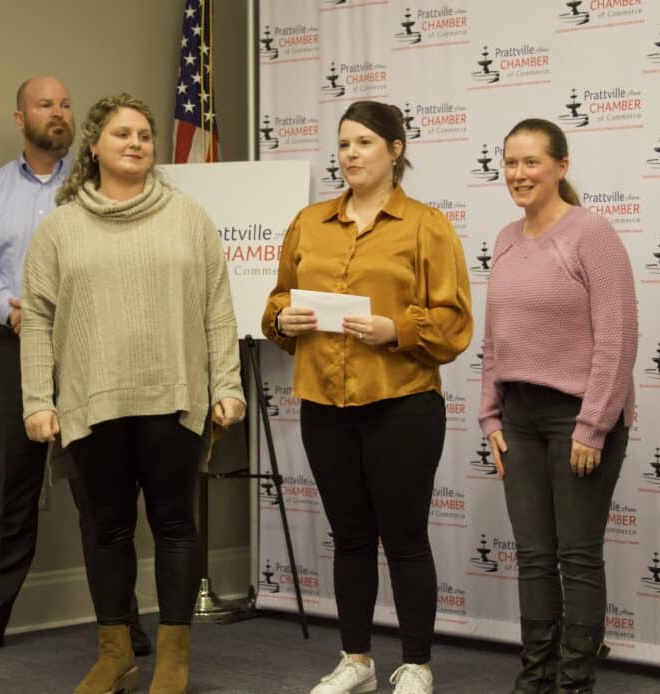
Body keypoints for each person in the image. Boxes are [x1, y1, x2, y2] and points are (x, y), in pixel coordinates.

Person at [20, 92, 245, 694]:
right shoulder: (60, 228)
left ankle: (173, 660)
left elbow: (218, 310)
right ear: (93, 146)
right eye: (122, 134)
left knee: (174, 525)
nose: (136, 143)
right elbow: (37, 319)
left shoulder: (189, 217)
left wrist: (227, 384)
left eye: (144, 135)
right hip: (93, 401)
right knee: (106, 530)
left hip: (174, 396)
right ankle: (115, 655)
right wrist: (37, 400)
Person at [262, 100, 472, 694]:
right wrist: (283, 320)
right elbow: (277, 301)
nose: (351, 155)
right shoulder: (309, 223)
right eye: (344, 144)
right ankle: (356, 661)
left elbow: (455, 321)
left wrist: (395, 329)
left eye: (364, 143)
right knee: (349, 536)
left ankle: (417, 665)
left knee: (404, 538)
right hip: (323, 405)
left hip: (402, 403)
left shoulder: (426, 225)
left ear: (396, 151)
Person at [0, 76, 149, 662]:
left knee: (101, 493)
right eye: (44, 105)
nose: (58, 112)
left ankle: (124, 625)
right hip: (12, 350)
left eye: (65, 104)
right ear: (20, 118)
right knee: (14, 490)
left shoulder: (97, 191)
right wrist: (16, 311)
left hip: (90, 350)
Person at [479, 118, 638, 694]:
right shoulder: (505, 238)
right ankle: (536, 679)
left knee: (577, 556)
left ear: (561, 167)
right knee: (533, 557)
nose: (518, 174)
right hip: (518, 419)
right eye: (510, 162)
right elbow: (495, 339)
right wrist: (490, 416)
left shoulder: (591, 234)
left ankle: (574, 685)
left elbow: (617, 338)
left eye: (531, 162)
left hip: (578, 417)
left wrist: (593, 426)